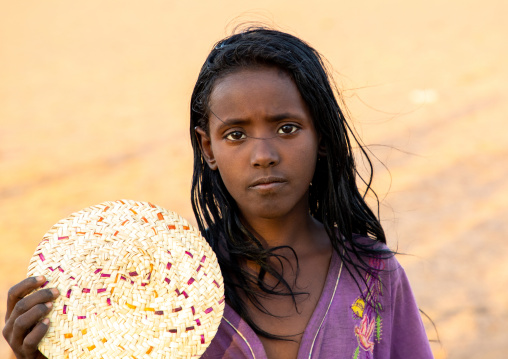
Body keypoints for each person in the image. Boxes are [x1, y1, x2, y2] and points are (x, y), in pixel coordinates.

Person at [3, 27, 433, 359]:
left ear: (320, 135)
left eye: (287, 128)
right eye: (235, 134)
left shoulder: (373, 274)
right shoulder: (159, 286)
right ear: (207, 148)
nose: (263, 155)